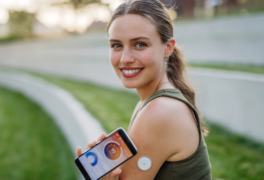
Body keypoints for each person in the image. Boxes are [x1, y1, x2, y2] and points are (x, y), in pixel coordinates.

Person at [77, 0, 212, 179]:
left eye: (139, 44)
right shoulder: (148, 103)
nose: (125, 58)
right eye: (116, 45)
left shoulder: (160, 112)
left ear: (168, 48)